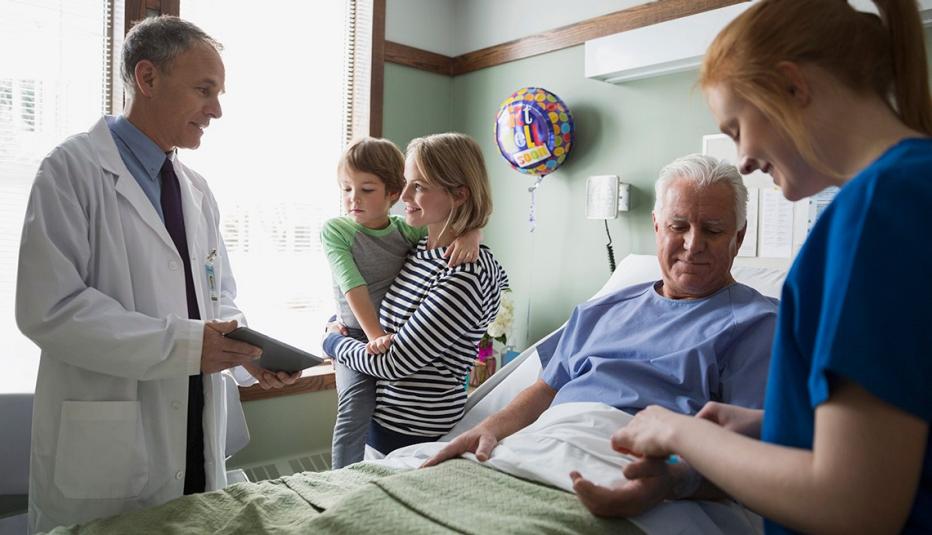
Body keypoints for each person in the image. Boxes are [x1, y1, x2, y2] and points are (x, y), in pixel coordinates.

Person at [609, 1, 932, 534]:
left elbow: (854, 506)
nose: (741, 161)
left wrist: (680, 433)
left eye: (736, 128)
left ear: (791, 87)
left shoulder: (877, 210)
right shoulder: (913, 188)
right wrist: (771, 425)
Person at [15, 16, 297, 533]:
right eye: (204, 90)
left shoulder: (196, 189)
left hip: (194, 428)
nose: (216, 109)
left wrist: (247, 354)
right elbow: (50, 310)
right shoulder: (70, 170)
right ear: (147, 79)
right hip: (111, 444)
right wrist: (186, 346)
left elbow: (218, 299)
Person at [425, 153, 779, 514]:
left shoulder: (757, 326)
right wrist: (489, 428)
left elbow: (751, 456)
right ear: (656, 226)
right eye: (678, 226)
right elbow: (545, 388)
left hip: (635, 464)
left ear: (739, 236)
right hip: (541, 445)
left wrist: (673, 480)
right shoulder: (601, 310)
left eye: (713, 230)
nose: (693, 243)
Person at [323, 133, 509, 456]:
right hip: (377, 429)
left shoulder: (465, 274)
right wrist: (337, 320)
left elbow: (395, 362)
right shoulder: (417, 247)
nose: (403, 195)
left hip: (412, 441)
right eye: (407, 183)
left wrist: (332, 342)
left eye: (418, 186)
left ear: (459, 194)